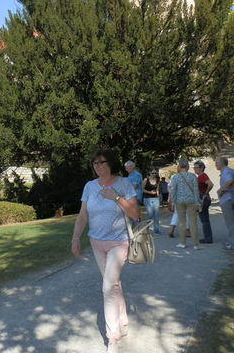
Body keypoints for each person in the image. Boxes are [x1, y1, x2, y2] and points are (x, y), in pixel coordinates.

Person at [72, 149, 140, 353]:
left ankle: (112, 338)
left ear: (111, 163)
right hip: (96, 242)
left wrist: (116, 198)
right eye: (95, 164)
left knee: (107, 286)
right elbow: (83, 215)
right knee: (113, 285)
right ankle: (123, 320)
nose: (98, 167)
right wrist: (76, 238)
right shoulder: (89, 186)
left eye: (102, 163)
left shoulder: (123, 184)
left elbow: (135, 213)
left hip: (119, 243)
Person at [169, 158, 202, 249]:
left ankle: (182, 243)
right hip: (191, 201)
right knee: (193, 222)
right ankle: (196, 244)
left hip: (179, 201)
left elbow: (173, 190)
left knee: (181, 222)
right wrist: (197, 202)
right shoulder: (193, 176)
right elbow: (196, 191)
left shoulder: (175, 177)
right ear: (187, 166)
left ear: (179, 166)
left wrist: (172, 201)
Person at [215, 157, 234, 250]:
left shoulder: (226, 171)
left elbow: (229, 181)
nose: (215, 164)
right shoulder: (228, 170)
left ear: (222, 163)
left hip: (227, 199)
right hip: (231, 198)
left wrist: (221, 190)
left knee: (230, 223)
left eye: (216, 163)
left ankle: (232, 243)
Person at [193, 160, 214, 244]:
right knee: (205, 219)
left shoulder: (202, 176)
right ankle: (208, 237)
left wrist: (205, 193)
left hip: (202, 198)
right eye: (194, 167)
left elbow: (211, 184)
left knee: (204, 220)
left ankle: (208, 238)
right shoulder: (201, 176)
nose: (194, 169)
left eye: (196, 167)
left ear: (201, 168)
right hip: (202, 197)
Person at [142, 167, 161, 234]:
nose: (154, 174)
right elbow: (142, 190)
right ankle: (146, 229)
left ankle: (156, 230)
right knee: (150, 214)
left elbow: (157, 190)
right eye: (153, 173)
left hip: (155, 198)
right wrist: (150, 192)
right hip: (147, 198)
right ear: (149, 173)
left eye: (155, 173)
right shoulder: (146, 180)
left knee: (156, 214)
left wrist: (158, 197)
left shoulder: (158, 180)